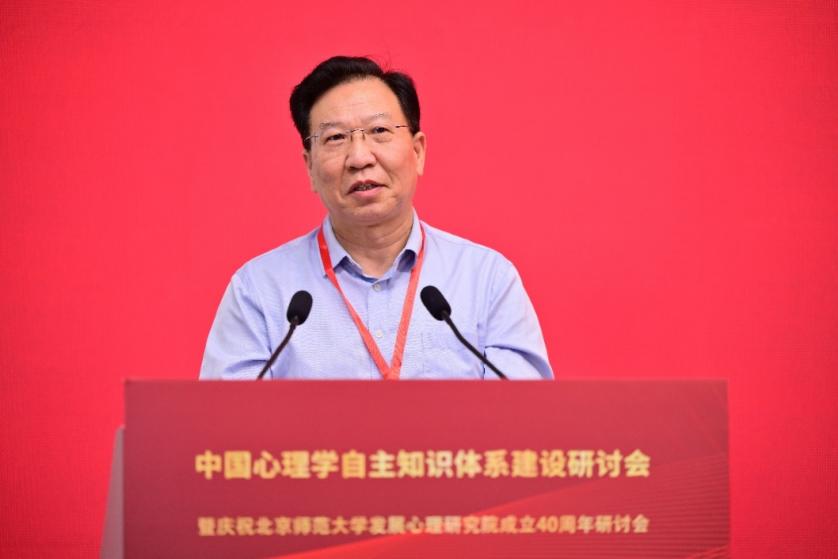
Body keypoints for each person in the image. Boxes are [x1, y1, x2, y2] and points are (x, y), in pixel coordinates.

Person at [200, 56, 552, 380]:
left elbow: (526, 416)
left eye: (379, 131)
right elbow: (226, 421)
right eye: (335, 138)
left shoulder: (487, 279)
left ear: (417, 151)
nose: (359, 157)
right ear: (309, 167)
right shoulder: (258, 291)